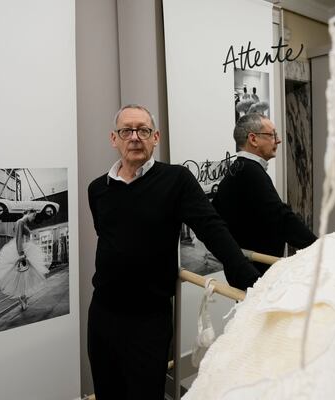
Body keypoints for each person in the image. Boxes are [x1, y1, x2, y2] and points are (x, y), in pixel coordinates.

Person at [87, 104, 260, 400]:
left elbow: (211, 227)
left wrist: (249, 278)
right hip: (102, 313)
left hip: (148, 318)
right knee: (107, 392)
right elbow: (108, 237)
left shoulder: (176, 180)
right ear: (113, 139)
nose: (134, 137)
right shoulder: (97, 189)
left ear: (156, 137)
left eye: (143, 130)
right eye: (126, 130)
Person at [213, 113, 317, 289]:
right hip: (257, 275)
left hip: (247, 270)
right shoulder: (250, 172)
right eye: (272, 135)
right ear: (253, 139)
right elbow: (281, 217)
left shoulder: (238, 169)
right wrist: (319, 247)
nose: (278, 141)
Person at [0, 211, 49, 311]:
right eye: (34, 215)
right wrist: (21, 253)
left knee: (24, 276)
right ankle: (22, 297)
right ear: (29, 213)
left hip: (25, 249)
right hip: (21, 250)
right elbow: (18, 238)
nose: (34, 218)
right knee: (21, 275)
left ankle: (23, 297)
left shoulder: (23, 223)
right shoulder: (20, 222)